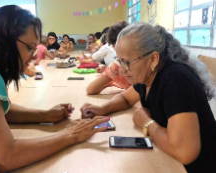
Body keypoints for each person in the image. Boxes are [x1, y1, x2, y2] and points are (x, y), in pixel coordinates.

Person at [0, 5, 109, 172]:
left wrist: (44, 115)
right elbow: (4, 156)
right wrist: (71, 135)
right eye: (29, 47)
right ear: (4, 40)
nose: (35, 54)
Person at [80, 23, 216, 173]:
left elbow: (184, 152)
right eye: (119, 61)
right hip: (169, 159)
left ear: (153, 59)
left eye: (127, 62)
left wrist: (147, 123)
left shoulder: (176, 80)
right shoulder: (147, 76)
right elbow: (125, 99)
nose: (122, 69)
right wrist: (102, 109)